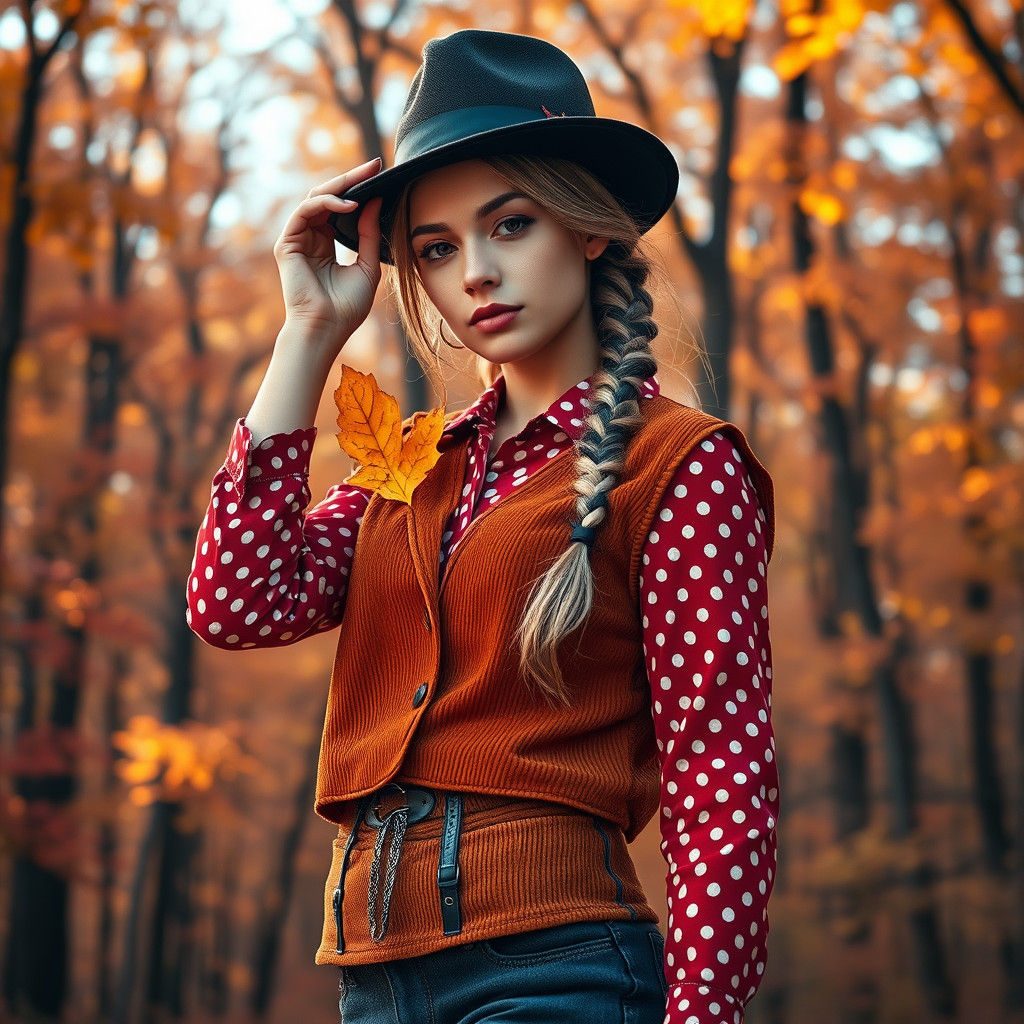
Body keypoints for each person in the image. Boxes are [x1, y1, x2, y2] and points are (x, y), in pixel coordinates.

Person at [186, 28, 779, 1024]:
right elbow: (236, 603)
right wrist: (307, 334)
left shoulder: (680, 463)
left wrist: (703, 1014)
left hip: (558, 969)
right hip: (373, 976)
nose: (474, 274)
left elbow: (720, 770)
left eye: (510, 225)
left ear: (587, 227)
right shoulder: (408, 468)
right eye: (436, 247)